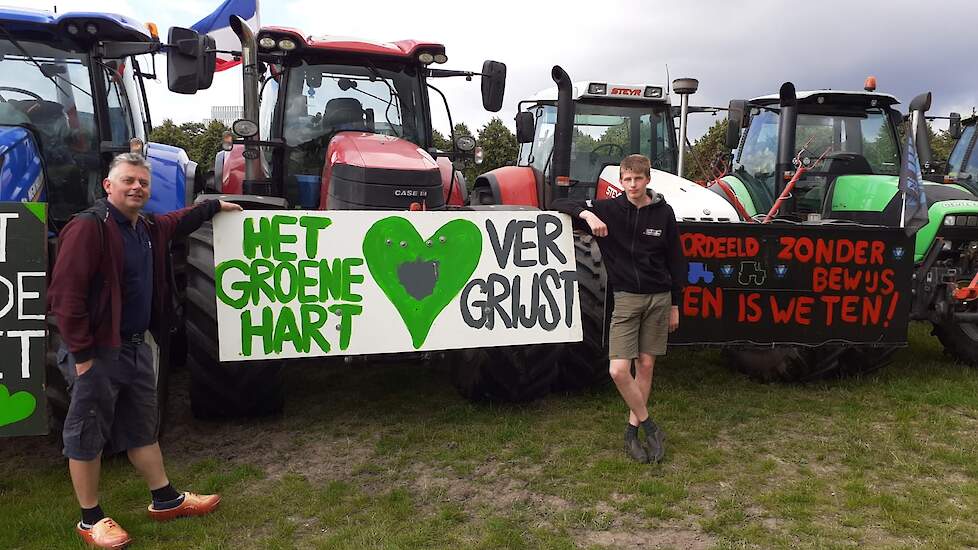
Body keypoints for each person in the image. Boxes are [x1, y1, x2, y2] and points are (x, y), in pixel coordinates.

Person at [49, 153, 243, 548]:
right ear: (108, 185)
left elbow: (178, 221)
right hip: (98, 352)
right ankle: (90, 520)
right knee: (87, 432)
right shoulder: (89, 228)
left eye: (143, 182)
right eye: (128, 181)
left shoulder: (146, 227)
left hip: (135, 347)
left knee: (142, 426)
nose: (137, 187)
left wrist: (213, 206)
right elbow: (65, 298)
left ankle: (165, 499)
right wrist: (83, 357)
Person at [553, 154, 686, 464]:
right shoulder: (610, 209)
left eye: (637, 179)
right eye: (627, 179)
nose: (632, 185)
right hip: (626, 299)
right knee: (618, 370)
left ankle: (631, 431)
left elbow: (677, 261)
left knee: (647, 365)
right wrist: (588, 216)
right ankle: (651, 426)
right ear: (621, 181)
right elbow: (561, 202)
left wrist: (676, 304)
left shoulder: (663, 213)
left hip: (659, 298)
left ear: (647, 180)